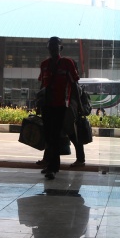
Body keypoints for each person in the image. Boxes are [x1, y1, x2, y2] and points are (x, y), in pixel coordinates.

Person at [38, 37, 80, 180]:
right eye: (51, 46)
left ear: (60, 48)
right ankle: (50, 164)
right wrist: (38, 103)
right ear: (48, 48)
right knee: (48, 136)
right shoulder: (44, 65)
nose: (53, 49)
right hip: (46, 105)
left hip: (61, 105)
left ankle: (53, 168)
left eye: (56, 46)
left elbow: (74, 85)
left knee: (55, 136)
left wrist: (79, 105)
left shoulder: (67, 63)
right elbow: (42, 85)